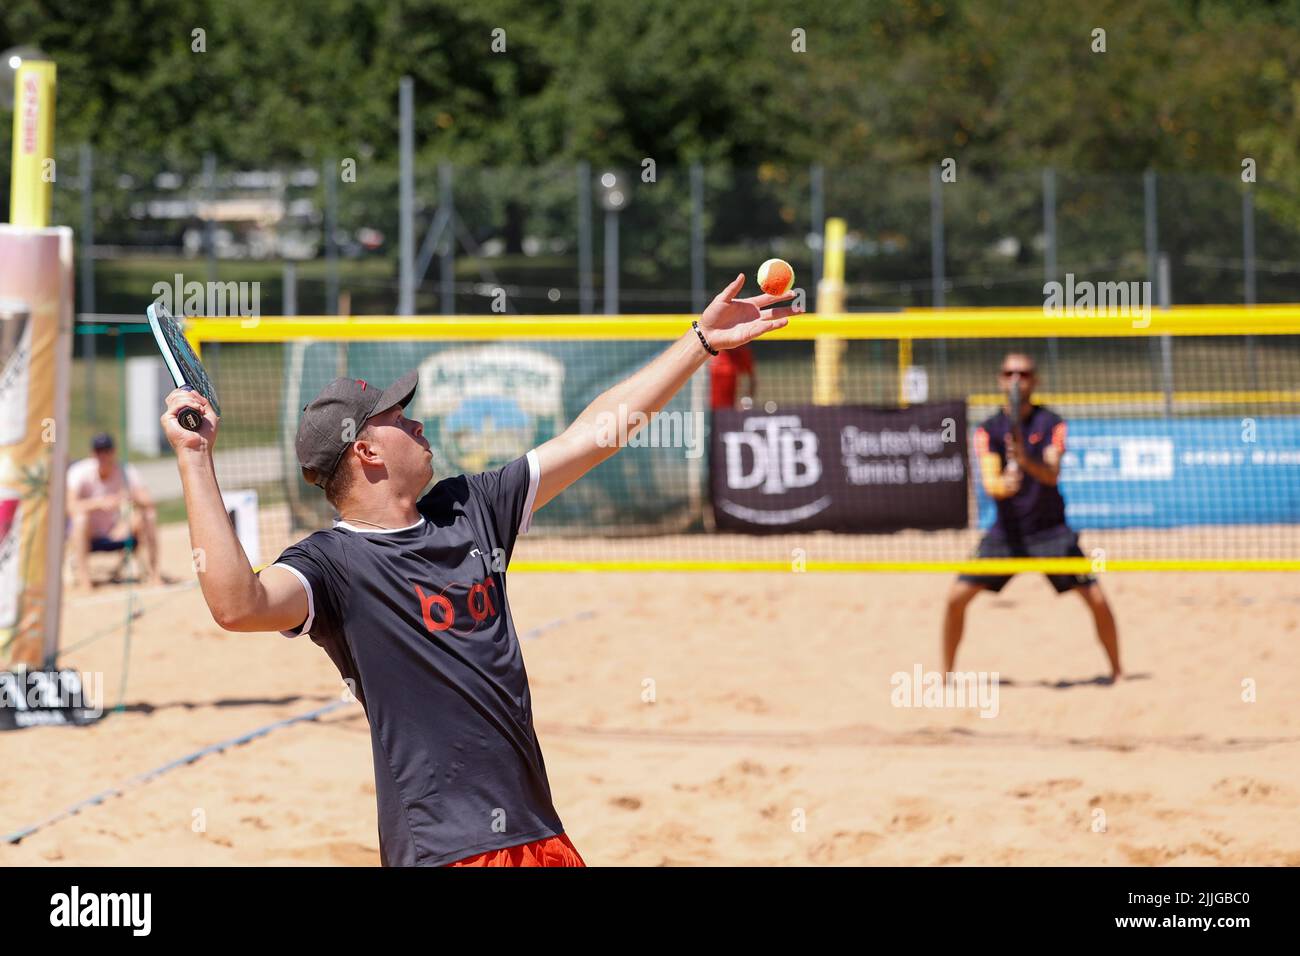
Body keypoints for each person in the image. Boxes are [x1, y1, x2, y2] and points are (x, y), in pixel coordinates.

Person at [160, 274, 799, 867]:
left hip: (537, 832)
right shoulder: (333, 565)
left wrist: (697, 344)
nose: (417, 421)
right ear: (367, 451)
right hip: (443, 846)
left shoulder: (469, 507)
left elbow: (598, 433)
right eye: (399, 417)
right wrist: (194, 458)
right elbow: (236, 605)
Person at [941, 353, 1121, 682]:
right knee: (956, 599)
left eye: (1023, 374)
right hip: (1006, 534)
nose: (1015, 379)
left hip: (1050, 531)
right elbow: (991, 481)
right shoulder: (989, 429)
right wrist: (1003, 485)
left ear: (1034, 381)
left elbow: (1052, 474)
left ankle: (1117, 672)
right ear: (1000, 379)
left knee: (1097, 599)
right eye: (1009, 373)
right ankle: (945, 675)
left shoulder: (1051, 423)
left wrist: (1026, 460)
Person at [66, 433, 165, 589]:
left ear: (113, 452)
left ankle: (155, 574)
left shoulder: (127, 471)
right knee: (80, 519)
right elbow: (70, 506)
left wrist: (127, 497)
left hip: (117, 529)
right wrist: (98, 503)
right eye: (99, 451)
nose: (103, 456)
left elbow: (149, 502)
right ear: (93, 454)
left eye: (107, 451)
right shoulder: (80, 472)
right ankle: (85, 581)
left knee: (148, 516)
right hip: (89, 532)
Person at [710, 341, 756, 409]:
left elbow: (751, 378)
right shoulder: (710, 348)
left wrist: (747, 399)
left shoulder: (741, 351)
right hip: (710, 406)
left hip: (732, 405)